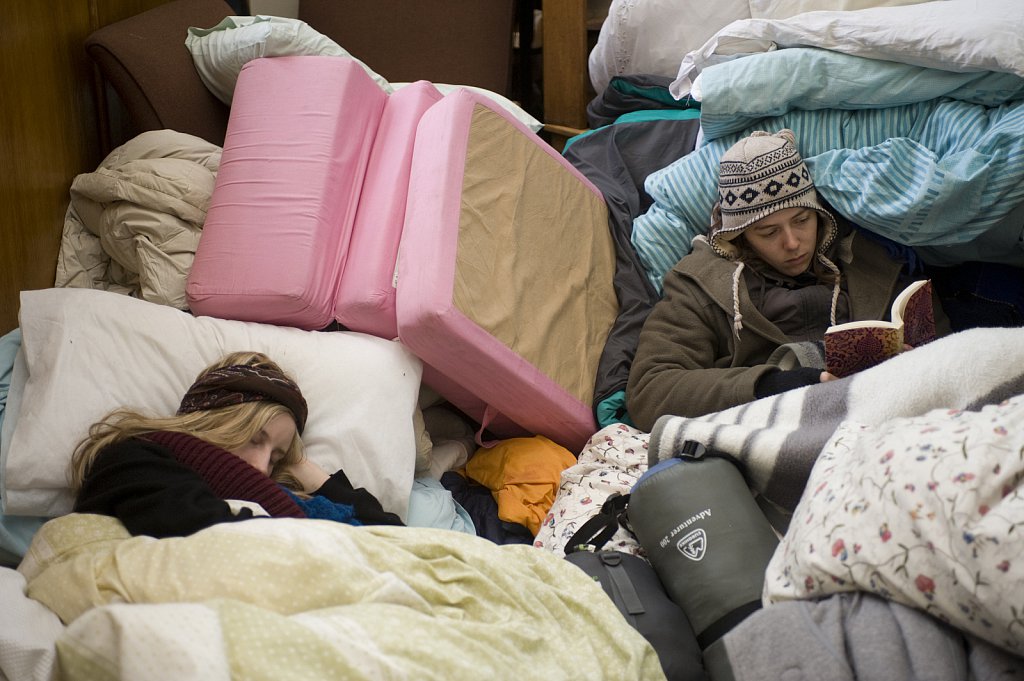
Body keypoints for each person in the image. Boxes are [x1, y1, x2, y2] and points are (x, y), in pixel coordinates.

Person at [627, 129, 945, 430]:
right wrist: (774, 386)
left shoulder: (867, 259)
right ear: (739, 236)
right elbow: (650, 390)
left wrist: (912, 363)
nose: (792, 243)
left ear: (819, 215)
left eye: (802, 220)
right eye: (769, 232)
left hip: (890, 420)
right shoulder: (699, 286)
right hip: (775, 431)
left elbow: (946, 349)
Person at [69, 350, 403, 538]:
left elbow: (396, 540)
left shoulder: (279, 499)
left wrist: (300, 466)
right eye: (253, 438)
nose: (261, 467)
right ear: (210, 420)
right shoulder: (132, 460)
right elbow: (215, 537)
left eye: (275, 458)